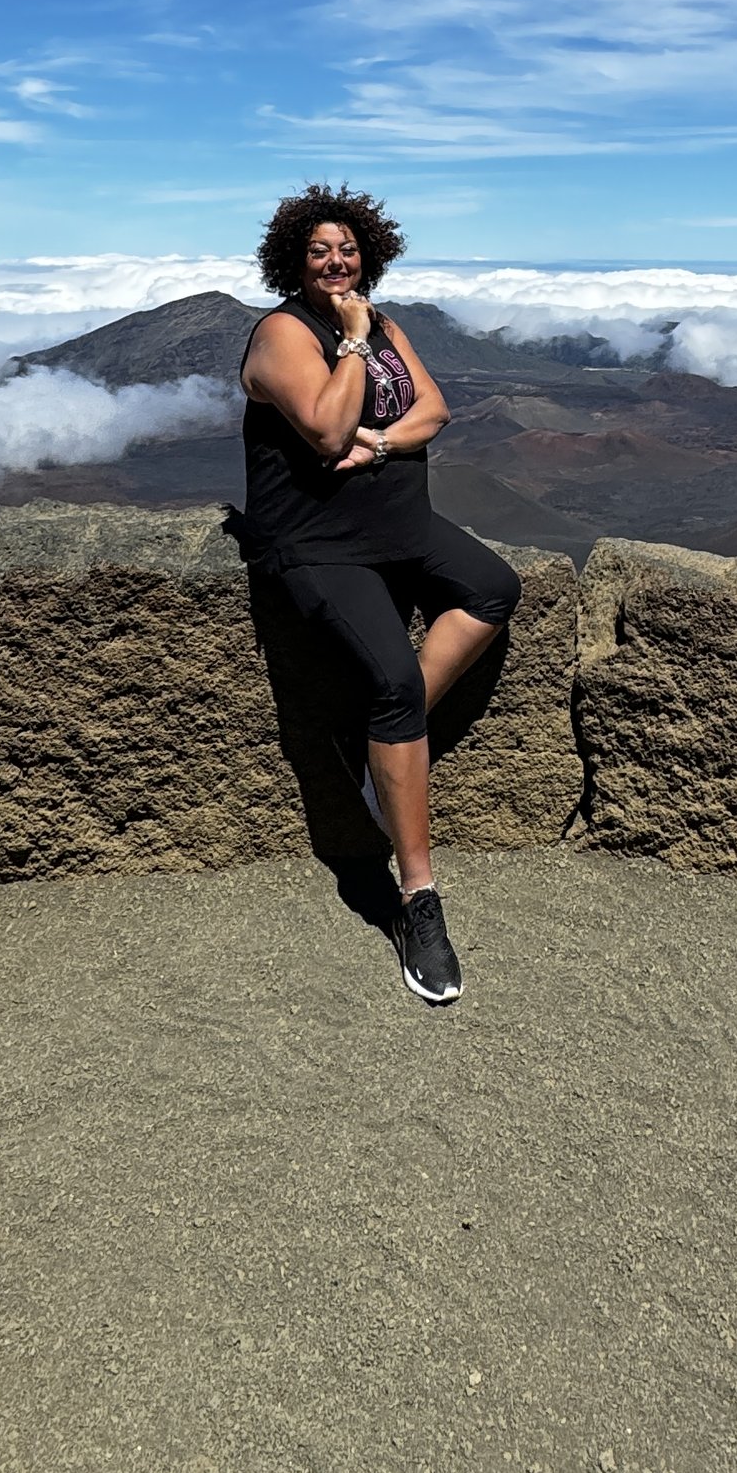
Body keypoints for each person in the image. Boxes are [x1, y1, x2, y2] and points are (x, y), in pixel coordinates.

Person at [237, 185, 517, 1005]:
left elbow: (435, 408)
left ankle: (375, 747)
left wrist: (385, 441)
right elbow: (324, 428)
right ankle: (418, 897)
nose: (337, 261)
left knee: (493, 586)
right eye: (320, 250)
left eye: (349, 248)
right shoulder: (281, 335)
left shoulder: (385, 321)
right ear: (294, 258)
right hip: (318, 543)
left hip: (398, 525)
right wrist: (354, 344)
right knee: (394, 682)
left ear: (371, 253)